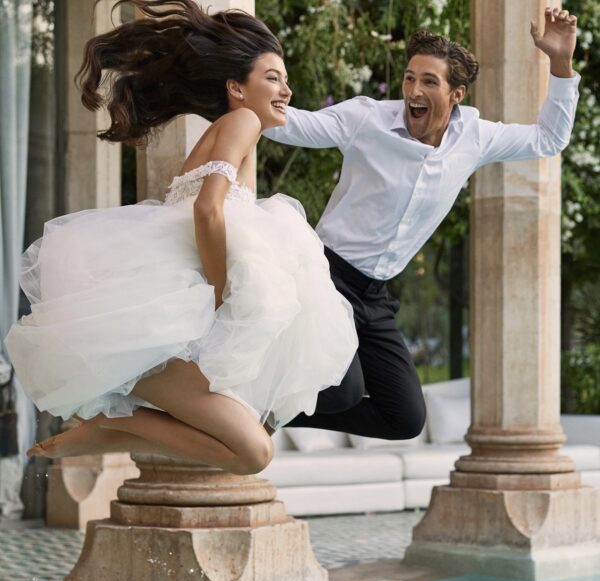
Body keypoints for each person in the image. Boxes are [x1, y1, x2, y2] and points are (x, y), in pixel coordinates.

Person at [5, 0, 358, 475]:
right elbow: (207, 207)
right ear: (237, 88)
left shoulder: (234, 128)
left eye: (284, 79)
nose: (286, 90)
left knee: (255, 446)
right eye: (273, 77)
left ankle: (112, 427)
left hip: (168, 331)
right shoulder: (242, 121)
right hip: (166, 328)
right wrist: (217, 291)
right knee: (254, 451)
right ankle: (111, 428)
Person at [264, 7, 580, 440]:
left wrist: (560, 64)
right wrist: (248, 96)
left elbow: (549, 138)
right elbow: (290, 124)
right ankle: (255, 402)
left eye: (429, 81)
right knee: (344, 391)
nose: (413, 89)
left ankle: (269, 410)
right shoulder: (366, 119)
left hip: (374, 296)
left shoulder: (475, 137)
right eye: (410, 78)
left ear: (456, 94)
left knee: (406, 419)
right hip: (327, 278)